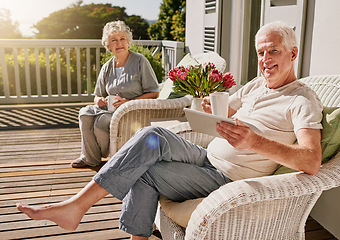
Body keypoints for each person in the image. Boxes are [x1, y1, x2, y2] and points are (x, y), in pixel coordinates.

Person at [17, 21, 323, 239]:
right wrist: (210, 108)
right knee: (150, 137)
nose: (264, 61)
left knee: (144, 169)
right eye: (260, 53)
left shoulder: (302, 100)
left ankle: (77, 208)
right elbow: (227, 110)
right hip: (205, 155)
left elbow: (311, 160)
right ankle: (77, 207)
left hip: (227, 176)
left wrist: (255, 141)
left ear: (292, 54)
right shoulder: (257, 85)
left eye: (273, 52)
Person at [71, 20, 159, 168]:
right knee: (84, 114)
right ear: (108, 45)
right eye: (114, 40)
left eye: (122, 39)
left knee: (101, 121)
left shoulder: (140, 61)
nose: (119, 43)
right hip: (110, 109)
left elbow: (154, 93)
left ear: (128, 42)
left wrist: (128, 102)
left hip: (132, 110)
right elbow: (97, 95)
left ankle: (105, 155)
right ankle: (90, 158)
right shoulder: (107, 67)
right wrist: (99, 101)